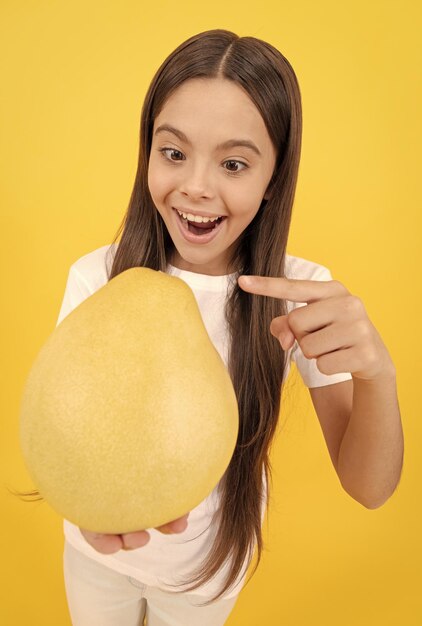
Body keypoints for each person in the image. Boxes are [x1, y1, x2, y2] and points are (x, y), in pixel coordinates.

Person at [51, 28, 403, 626]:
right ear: (147, 153)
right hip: (95, 556)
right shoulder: (98, 278)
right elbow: (65, 426)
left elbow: (369, 487)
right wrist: (83, 497)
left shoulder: (297, 296)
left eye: (234, 163)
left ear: (273, 180)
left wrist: (377, 374)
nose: (195, 187)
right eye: (173, 152)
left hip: (205, 576)